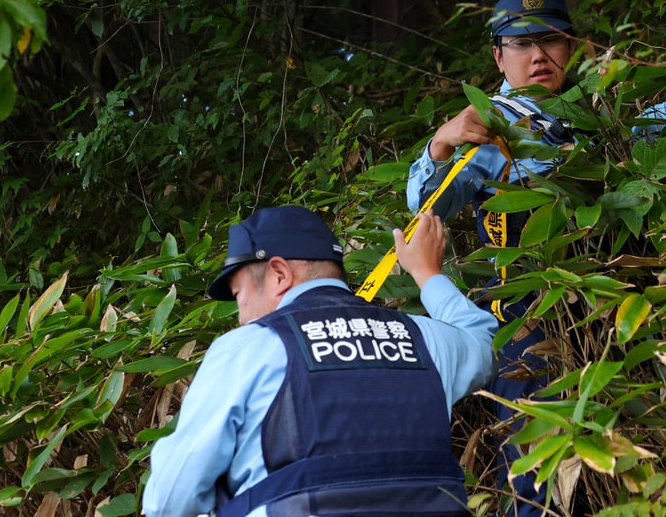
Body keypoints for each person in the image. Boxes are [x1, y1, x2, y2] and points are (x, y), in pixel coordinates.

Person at [406, 0, 666, 516]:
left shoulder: (592, 110)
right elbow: (427, 206)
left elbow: (642, 132)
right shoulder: (487, 128)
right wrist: (440, 143)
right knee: (541, 482)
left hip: (609, 312)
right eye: (521, 44)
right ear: (499, 55)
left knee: (628, 465)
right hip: (529, 326)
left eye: (551, 41)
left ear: (573, 48)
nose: (538, 55)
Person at [142, 205, 499, 517]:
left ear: (279, 274)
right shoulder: (424, 338)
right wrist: (427, 273)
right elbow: (486, 345)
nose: (240, 317)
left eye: (239, 296)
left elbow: (171, 498)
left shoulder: (246, 349)